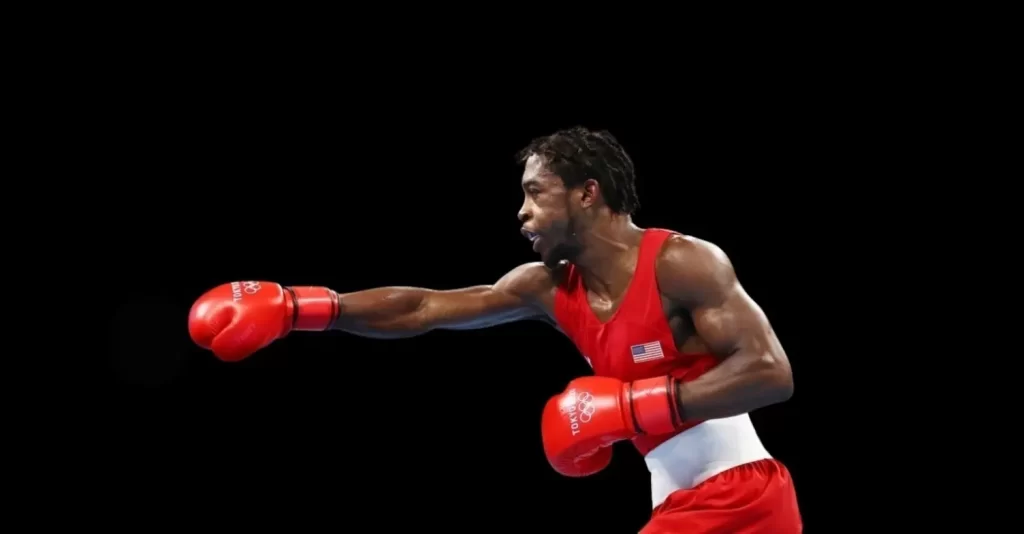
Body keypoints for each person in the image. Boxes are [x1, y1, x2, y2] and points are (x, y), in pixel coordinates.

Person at [188, 126, 802, 532]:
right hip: (677, 500)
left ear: (588, 193)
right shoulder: (548, 288)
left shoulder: (681, 261)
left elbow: (771, 373)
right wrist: (304, 308)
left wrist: (632, 409)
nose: (522, 212)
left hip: (741, 496)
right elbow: (425, 308)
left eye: (535, 194)